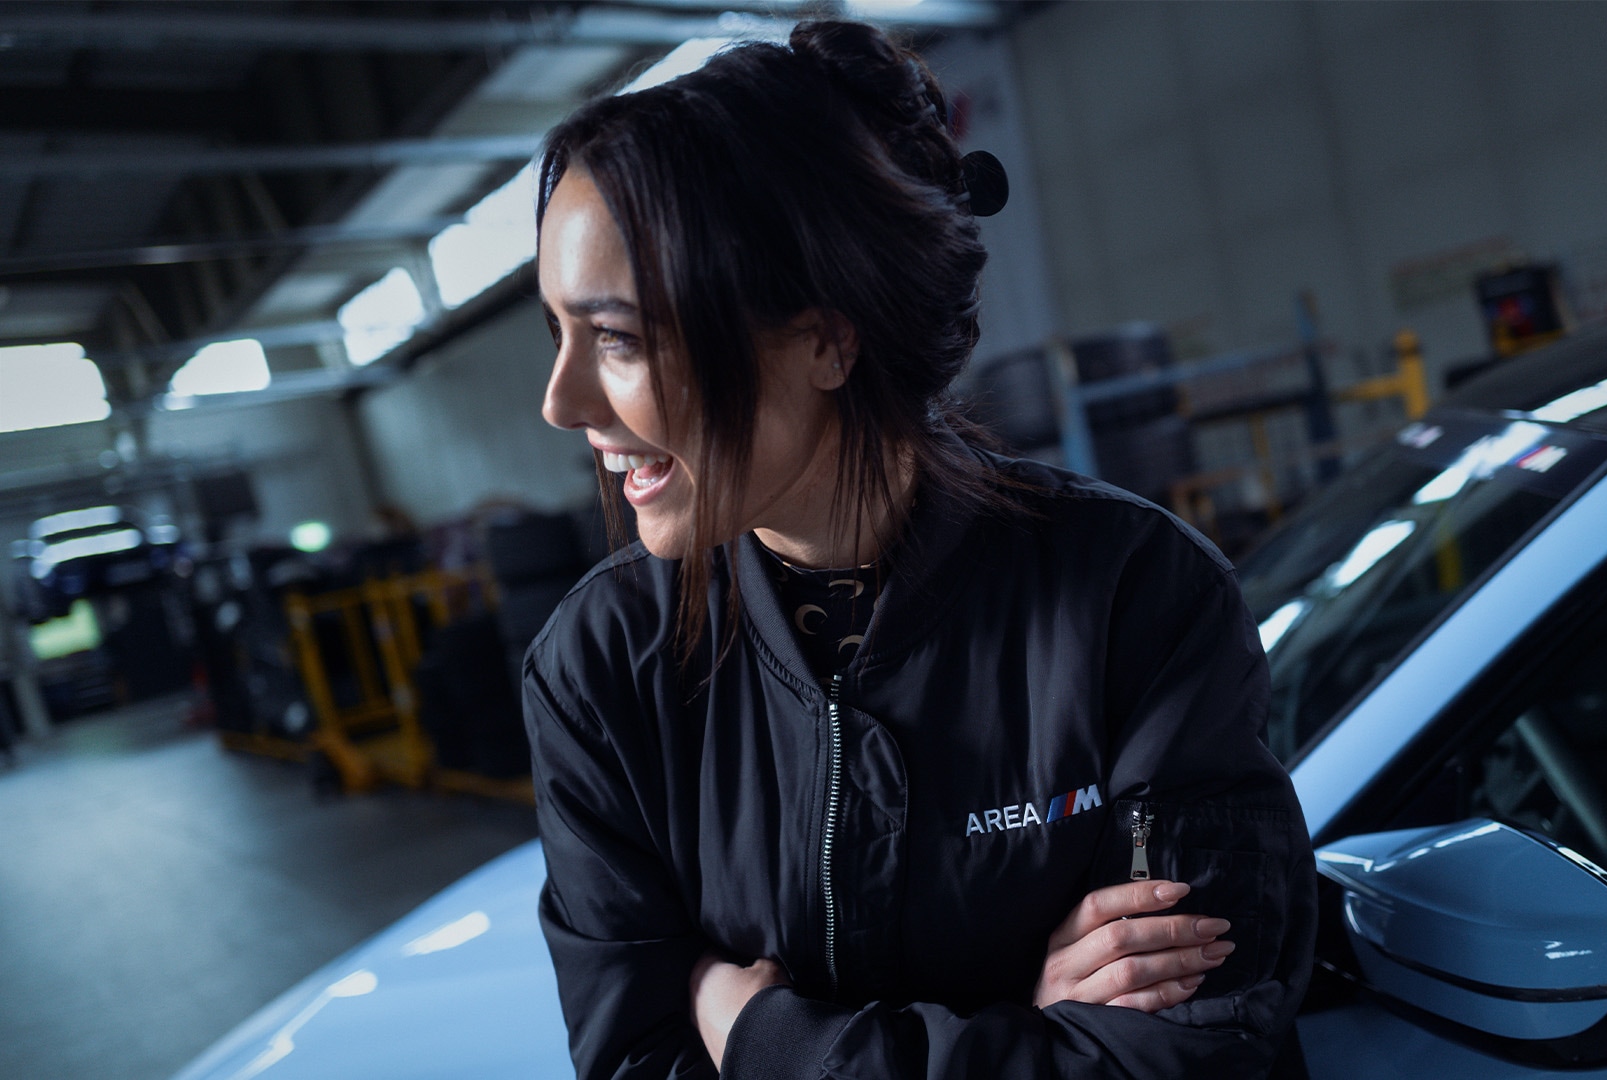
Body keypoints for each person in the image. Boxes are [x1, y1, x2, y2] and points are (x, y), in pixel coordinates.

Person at [527, 20, 1315, 1080]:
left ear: (824, 336)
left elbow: (1197, 1056)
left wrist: (762, 1037)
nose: (561, 400)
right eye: (560, 334)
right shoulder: (599, 669)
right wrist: (1026, 1030)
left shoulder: (1134, 597)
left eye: (617, 338)